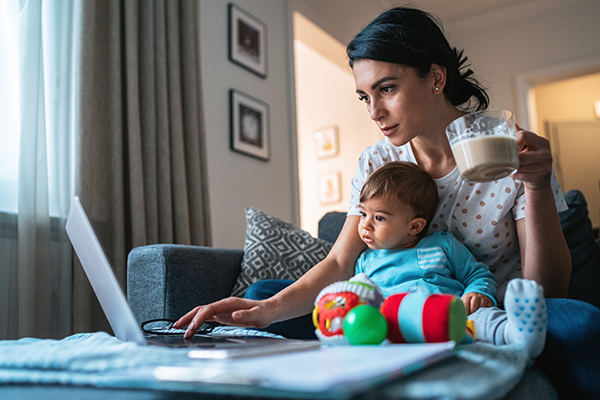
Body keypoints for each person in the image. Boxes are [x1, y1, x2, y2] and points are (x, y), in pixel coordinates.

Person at [175, 6, 600, 398]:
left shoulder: (510, 149)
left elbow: (546, 291)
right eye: (365, 96)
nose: (374, 111)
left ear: (436, 78)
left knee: (578, 320)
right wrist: (264, 310)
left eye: (387, 89)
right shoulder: (378, 160)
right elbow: (341, 264)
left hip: (488, 317)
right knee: (264, 293)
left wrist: (539, 186)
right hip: (392, 309)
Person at [354, 161, 546, 363]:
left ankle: (518, 335)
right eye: (363, 214)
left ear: (415, 226)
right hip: (400, 326)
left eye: (379, 218)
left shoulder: (441, 244)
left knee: (482, 319)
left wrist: (478, 293)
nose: (365, 225)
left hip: (453, 317)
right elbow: (360, 296)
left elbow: (476, 274)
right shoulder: (365, 262)